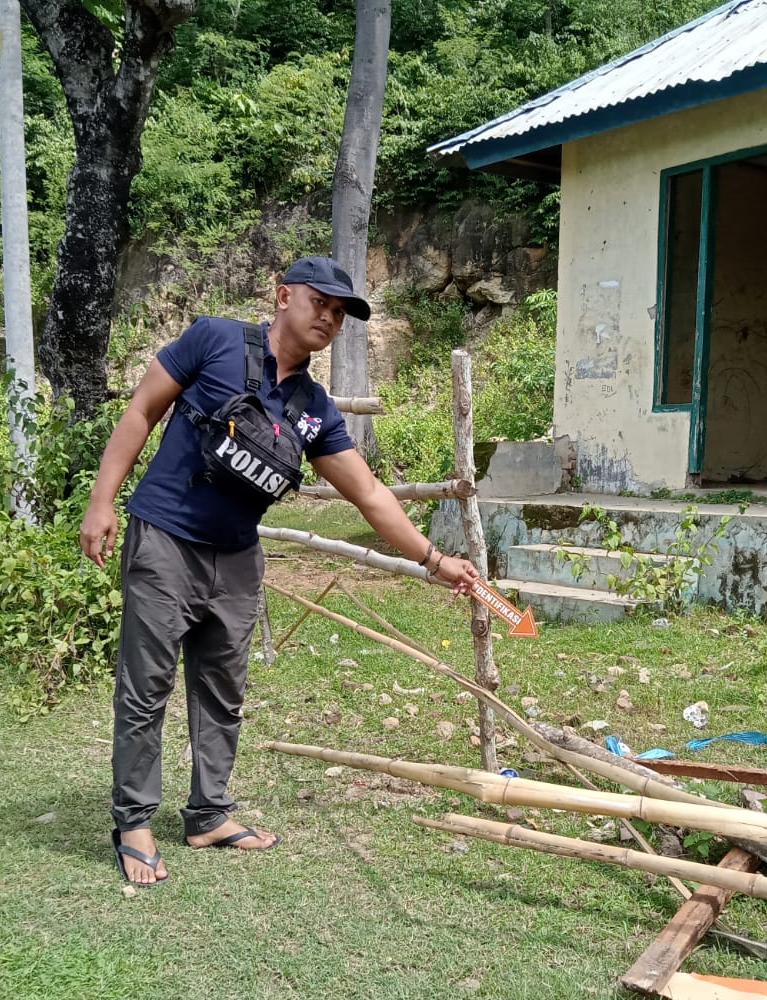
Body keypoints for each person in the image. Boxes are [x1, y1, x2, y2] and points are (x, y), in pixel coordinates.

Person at [80, 256, 482, 886]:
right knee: (146, 687)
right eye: (321, 301)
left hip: (237, 559)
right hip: (166, 540)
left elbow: (369, 495)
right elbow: (140, 413)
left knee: (223, 692)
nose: (330, 316)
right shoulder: (212, 339)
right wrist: (102, 502)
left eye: (341, 312)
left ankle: (208, 813)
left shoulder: (314, 407)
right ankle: (133, 822)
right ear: (283, 294)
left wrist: (433, 560)